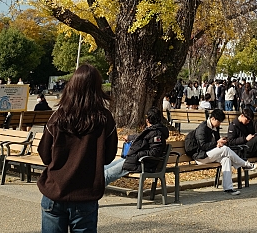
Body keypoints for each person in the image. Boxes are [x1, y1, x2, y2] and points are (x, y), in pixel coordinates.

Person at [37, 65, 117, 232]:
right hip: (85, 193)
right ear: (97, 88)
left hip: (55, 190)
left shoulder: (57, 117)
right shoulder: (104, 119)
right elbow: (108, 157)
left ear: (72, 85)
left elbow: (45, 155)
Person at [187, 108, 257, 194]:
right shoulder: (202, 128)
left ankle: (228, 188)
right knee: (225, 149)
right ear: (212, 118)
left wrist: (220, 142)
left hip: (209, 154)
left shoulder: (215, 128)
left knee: (226, 159)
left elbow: (215, 143)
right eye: (218, 121)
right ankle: (244, 164)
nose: (219, 124)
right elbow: (203, 146)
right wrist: (216, 143)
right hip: (200, 156)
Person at [104, 108, 169, 186]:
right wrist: (130, 138)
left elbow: (154, 153)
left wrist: (137, 154)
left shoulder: (157, 134)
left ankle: (93, 193)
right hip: (135, 160)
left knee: (107, 174)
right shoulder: (152, 130)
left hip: (142, 163)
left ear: (148, 120)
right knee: (104, 168)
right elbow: (141, 137)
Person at [226, 107, 257, 186]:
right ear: (242, 116)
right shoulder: (233, 125)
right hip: (242, 149)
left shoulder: (249, 123)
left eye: (249, 120)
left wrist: (254, 136)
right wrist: (245, 139)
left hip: (251, 147)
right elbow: (231, 142)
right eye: (247, 120)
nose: (248, 122)